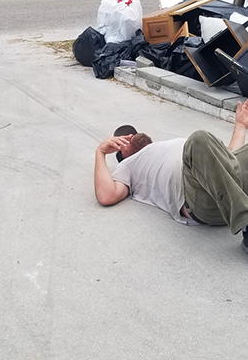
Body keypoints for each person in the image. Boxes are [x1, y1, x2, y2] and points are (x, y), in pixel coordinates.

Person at [94, 99, 248, 250]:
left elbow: (228, 161)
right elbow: (107, 195)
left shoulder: (164, 145)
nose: (132, 136)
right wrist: (100, 152)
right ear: (121, 154)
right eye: (123, 140)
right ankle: (246, 221)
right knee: (200, 139)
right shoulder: (129, 165)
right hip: (200, 200)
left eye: (133, 133)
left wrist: (240, 126)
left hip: (230, 192)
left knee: (208, 146)